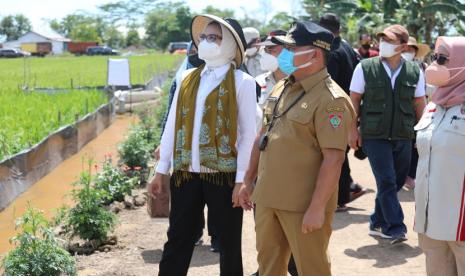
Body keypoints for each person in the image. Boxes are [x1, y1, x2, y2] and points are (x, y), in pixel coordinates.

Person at [239, 21, 355, 276]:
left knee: (312, 269)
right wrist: (248, 179)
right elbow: (263, 136)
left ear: (315, 54)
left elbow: (333, 160)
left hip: (302, 205)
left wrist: (316, 208)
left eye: (291, 48)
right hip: (268, 197)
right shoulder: (282, 87)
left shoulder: (331, 100)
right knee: (268, 268)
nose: (283, 54)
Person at [148, 14, 257, 276]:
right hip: (186, 173)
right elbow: (172, 126)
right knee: (178, 238)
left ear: (230, 45)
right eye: (204, 37)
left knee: (229, 244)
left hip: (224, 176)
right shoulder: (187, 78)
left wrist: (243, 180)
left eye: (214, 38)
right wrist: (161, 170)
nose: (206, 42)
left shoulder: (243, 83)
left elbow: (247, 135)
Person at [349, 24, 427, 244]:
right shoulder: (364, 67)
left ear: (403, 47)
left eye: (390, 41)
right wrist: (352, 130)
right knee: (386, 180)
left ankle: (376, 221)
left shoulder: (414, 71)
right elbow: (353, 100)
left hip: (403, 134)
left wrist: (423, 133)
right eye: (382, 39)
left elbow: (419, 103)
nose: (383, 44)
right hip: (374, 135)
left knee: (396, 181)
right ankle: (395, 227)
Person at [414, 36, 465, 276]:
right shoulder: (433, 105)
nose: (435, 64)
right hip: (430, 220)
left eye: (443, 59)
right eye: (434, 57)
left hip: (461, 223)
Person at [251, 29, 299, 276]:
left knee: (296, 236)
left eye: (273, 49)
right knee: (266, 232)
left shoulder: (303, 84)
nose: (267, 54)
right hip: (263, 168)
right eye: (266, 49)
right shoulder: (258, 84)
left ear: (289, 52)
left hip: (294, 170)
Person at [319, 13, 366, 212]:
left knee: (334, 152)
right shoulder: (348, 48)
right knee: (340, 152)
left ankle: (340, 196)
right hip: (350, 107)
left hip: (335, 109)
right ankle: (345, 192)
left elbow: (328, 84)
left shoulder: (332, 51)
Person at [401, 37, 431, 190]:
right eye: (406, 49)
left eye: (412, 49)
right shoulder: (397, 67)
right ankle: (404, 175)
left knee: (416, 145)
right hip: (403, 112)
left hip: (420, 110)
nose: (408, 52)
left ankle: (410, 175)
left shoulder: (424, 67)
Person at [255, 30, 287, 107]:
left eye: (271, 49)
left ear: (287, 50)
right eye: (265, 50)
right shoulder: (258, 82)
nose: (267, 54)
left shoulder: (299, 82)